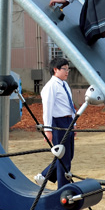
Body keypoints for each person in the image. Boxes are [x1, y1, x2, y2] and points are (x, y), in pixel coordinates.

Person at [34, 57, 76, 186]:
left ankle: (44, 175)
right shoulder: (50, 87)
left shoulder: (64, 84)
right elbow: (47, 108)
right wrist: (48, 129)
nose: (67, 72)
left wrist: (73, 124)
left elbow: (70, 105)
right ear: (55, 69)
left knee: (68, 155)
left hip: (68, 121)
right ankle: (63, 187)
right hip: (58, 122)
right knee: (63, 157)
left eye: (68, 69)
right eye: (64, 69)